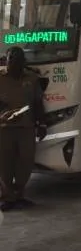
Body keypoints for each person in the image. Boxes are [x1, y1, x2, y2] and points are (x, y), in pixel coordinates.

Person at [0, 47, 46, 211]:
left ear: (23, 62)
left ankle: (19, 195)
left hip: (26, 127)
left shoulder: (32, 79)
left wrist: (42, 123)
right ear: (6, 60)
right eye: (10, 59)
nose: (12, 62)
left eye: (17, 60)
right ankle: (7, 198)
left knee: (25, 163)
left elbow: (38, 103)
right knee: (4, 164)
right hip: (4, 128)